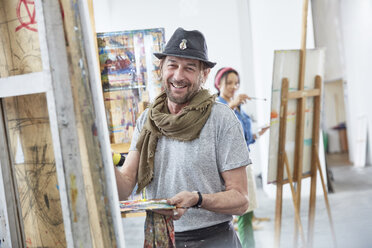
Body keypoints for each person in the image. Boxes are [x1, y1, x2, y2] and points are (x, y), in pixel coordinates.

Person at [114, 27, 252, 248]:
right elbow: (123, 188)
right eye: (172, 65)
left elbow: (241, 200)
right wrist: (103, 158)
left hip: (214, 239)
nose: (178, 76)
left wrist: (198, 199)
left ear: (204, 74)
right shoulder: (147, 121)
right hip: (161, 237)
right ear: (161, 68)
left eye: (189, 68)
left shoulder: (221, 119)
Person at [214, 67, 269, 248]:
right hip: (231, 168)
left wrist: (257, 134)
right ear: (219, 84)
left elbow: (244, 139)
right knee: (242, 213)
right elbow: (216, 126)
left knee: (248, 212)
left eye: (236, 83)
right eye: (229, 83)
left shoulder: (238, 107)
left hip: (245, 163)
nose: (233, 86)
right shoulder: (218, 106)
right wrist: (233, 103)